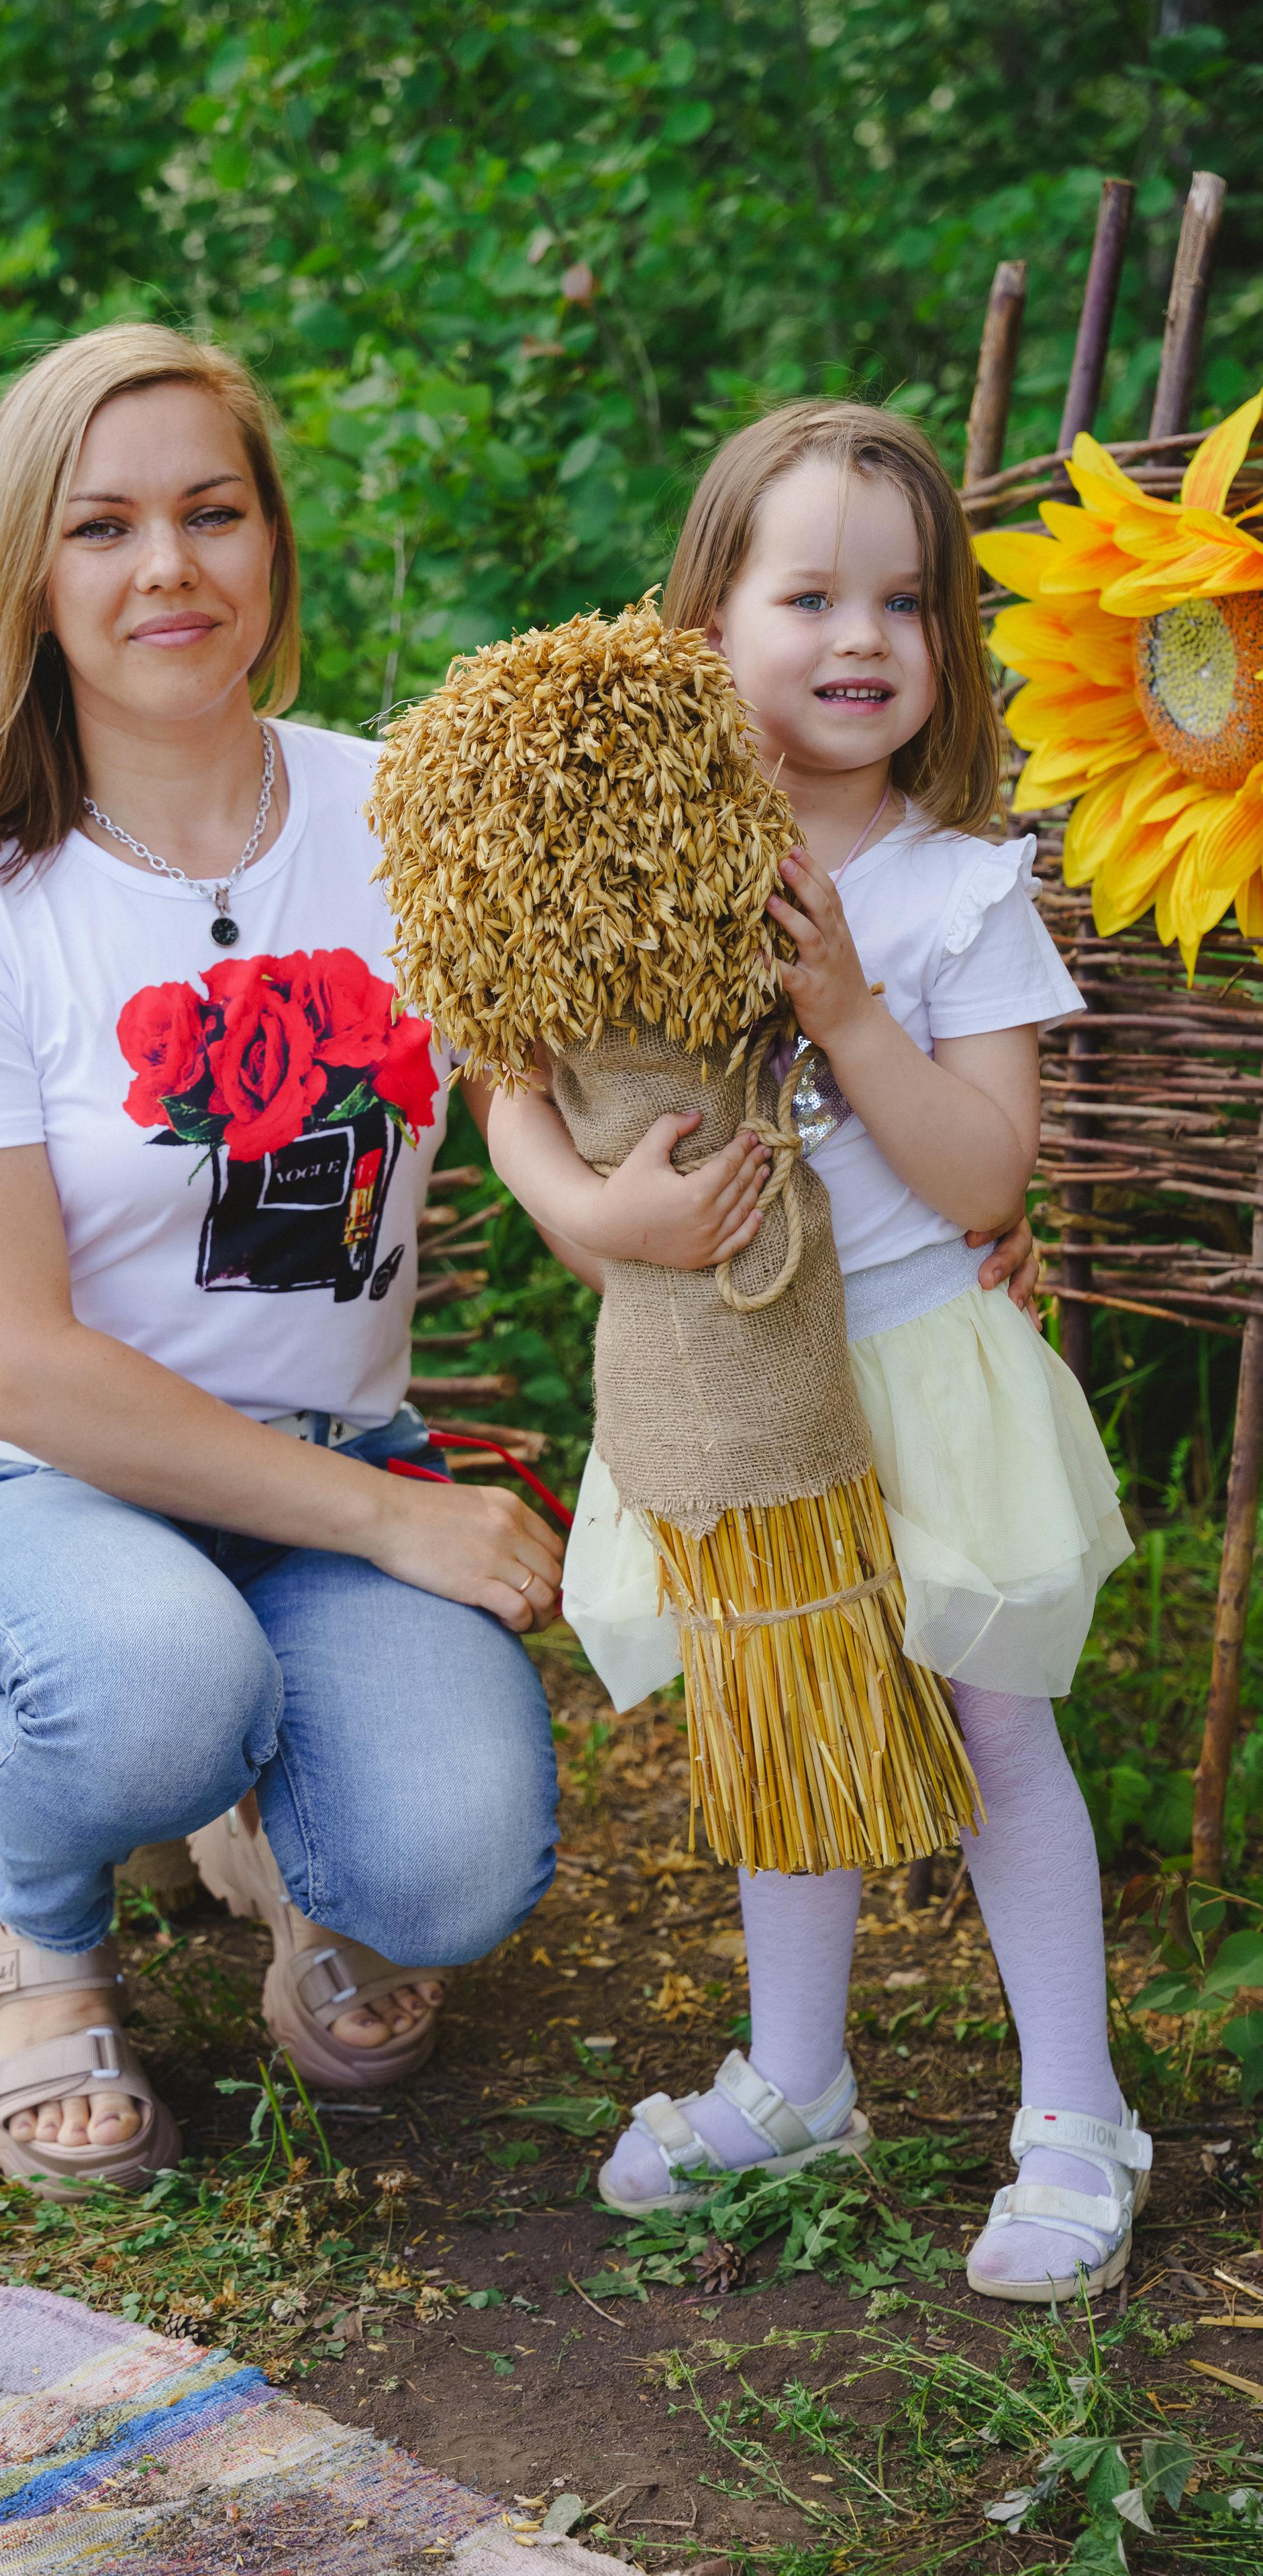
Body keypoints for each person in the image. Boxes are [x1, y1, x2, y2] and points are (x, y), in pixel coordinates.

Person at [0, 321, 566, 2200]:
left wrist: (892, 1197)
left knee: (452, 1871)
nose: (167, 566)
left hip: (328, 1460)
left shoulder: (403, 818)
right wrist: (400, 1522)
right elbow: (20, 1363)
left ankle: (288, 1847)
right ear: (28, 576)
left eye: (211, 512)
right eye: (102, 527)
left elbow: (549, 1112)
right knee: (157, 1687)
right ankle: (46, 1940)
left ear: (272, 545)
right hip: (35, 1496)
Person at [482, 400, 1143, 2306]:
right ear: (705, 625)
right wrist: (593, 1214)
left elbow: (988, 1170)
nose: (865, 639)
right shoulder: (629, 860)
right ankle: (797, 2077)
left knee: (995, 1731)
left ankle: (1077, 2112)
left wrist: (851, 1013)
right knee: (780, 1711)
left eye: (908, 602)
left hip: (923, 1366)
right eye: (811, 597)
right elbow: (507, 1084)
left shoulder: (956, 885)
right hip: (733, 1377)